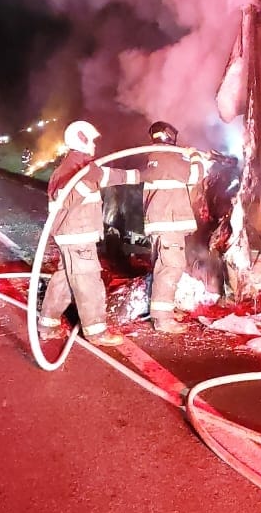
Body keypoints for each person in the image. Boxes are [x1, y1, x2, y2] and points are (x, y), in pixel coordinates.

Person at [38, 120, 134, 347]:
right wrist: (87, 180)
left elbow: (116, 176)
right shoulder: (73, 171)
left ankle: (47, 325)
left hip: (72, 236)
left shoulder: (84, 168)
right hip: (77, 237)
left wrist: (148, 174)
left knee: (65, 279)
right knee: (89, 281)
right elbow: (66, 200)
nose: (94, 144)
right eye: (91, 140)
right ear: (81, 139)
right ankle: (96, 331)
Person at [131, 120, 210, 334]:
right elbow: (196, 175)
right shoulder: (169, 158)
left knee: (164, 267)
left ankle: (163, 311)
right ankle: (163, 319)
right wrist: (195, 155)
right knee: (172, 267)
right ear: (168, 135)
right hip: (170, 223)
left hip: (163, 224)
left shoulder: (155, 158)